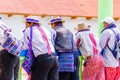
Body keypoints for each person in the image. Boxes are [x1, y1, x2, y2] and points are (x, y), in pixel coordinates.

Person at [23, 16, 58, 80]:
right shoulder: (46, 29)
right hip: (54, 58)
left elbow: (26, 46)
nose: (25, 26)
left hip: (43, 58)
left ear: (30, 23)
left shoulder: (28, 30)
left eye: (26, 24)